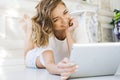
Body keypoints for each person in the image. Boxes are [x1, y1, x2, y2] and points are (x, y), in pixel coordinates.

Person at [22, 0, 79, 80]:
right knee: (28, 54)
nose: (65, 21)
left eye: (65, 12)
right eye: (56, 20)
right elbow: (49, 65)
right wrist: (61, 70)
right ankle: (29, 27)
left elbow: (78, 58)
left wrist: (68, 32)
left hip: (53, 54)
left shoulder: (75, 25)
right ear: (49, 24)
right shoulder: (46, 35)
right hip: (36, 58)